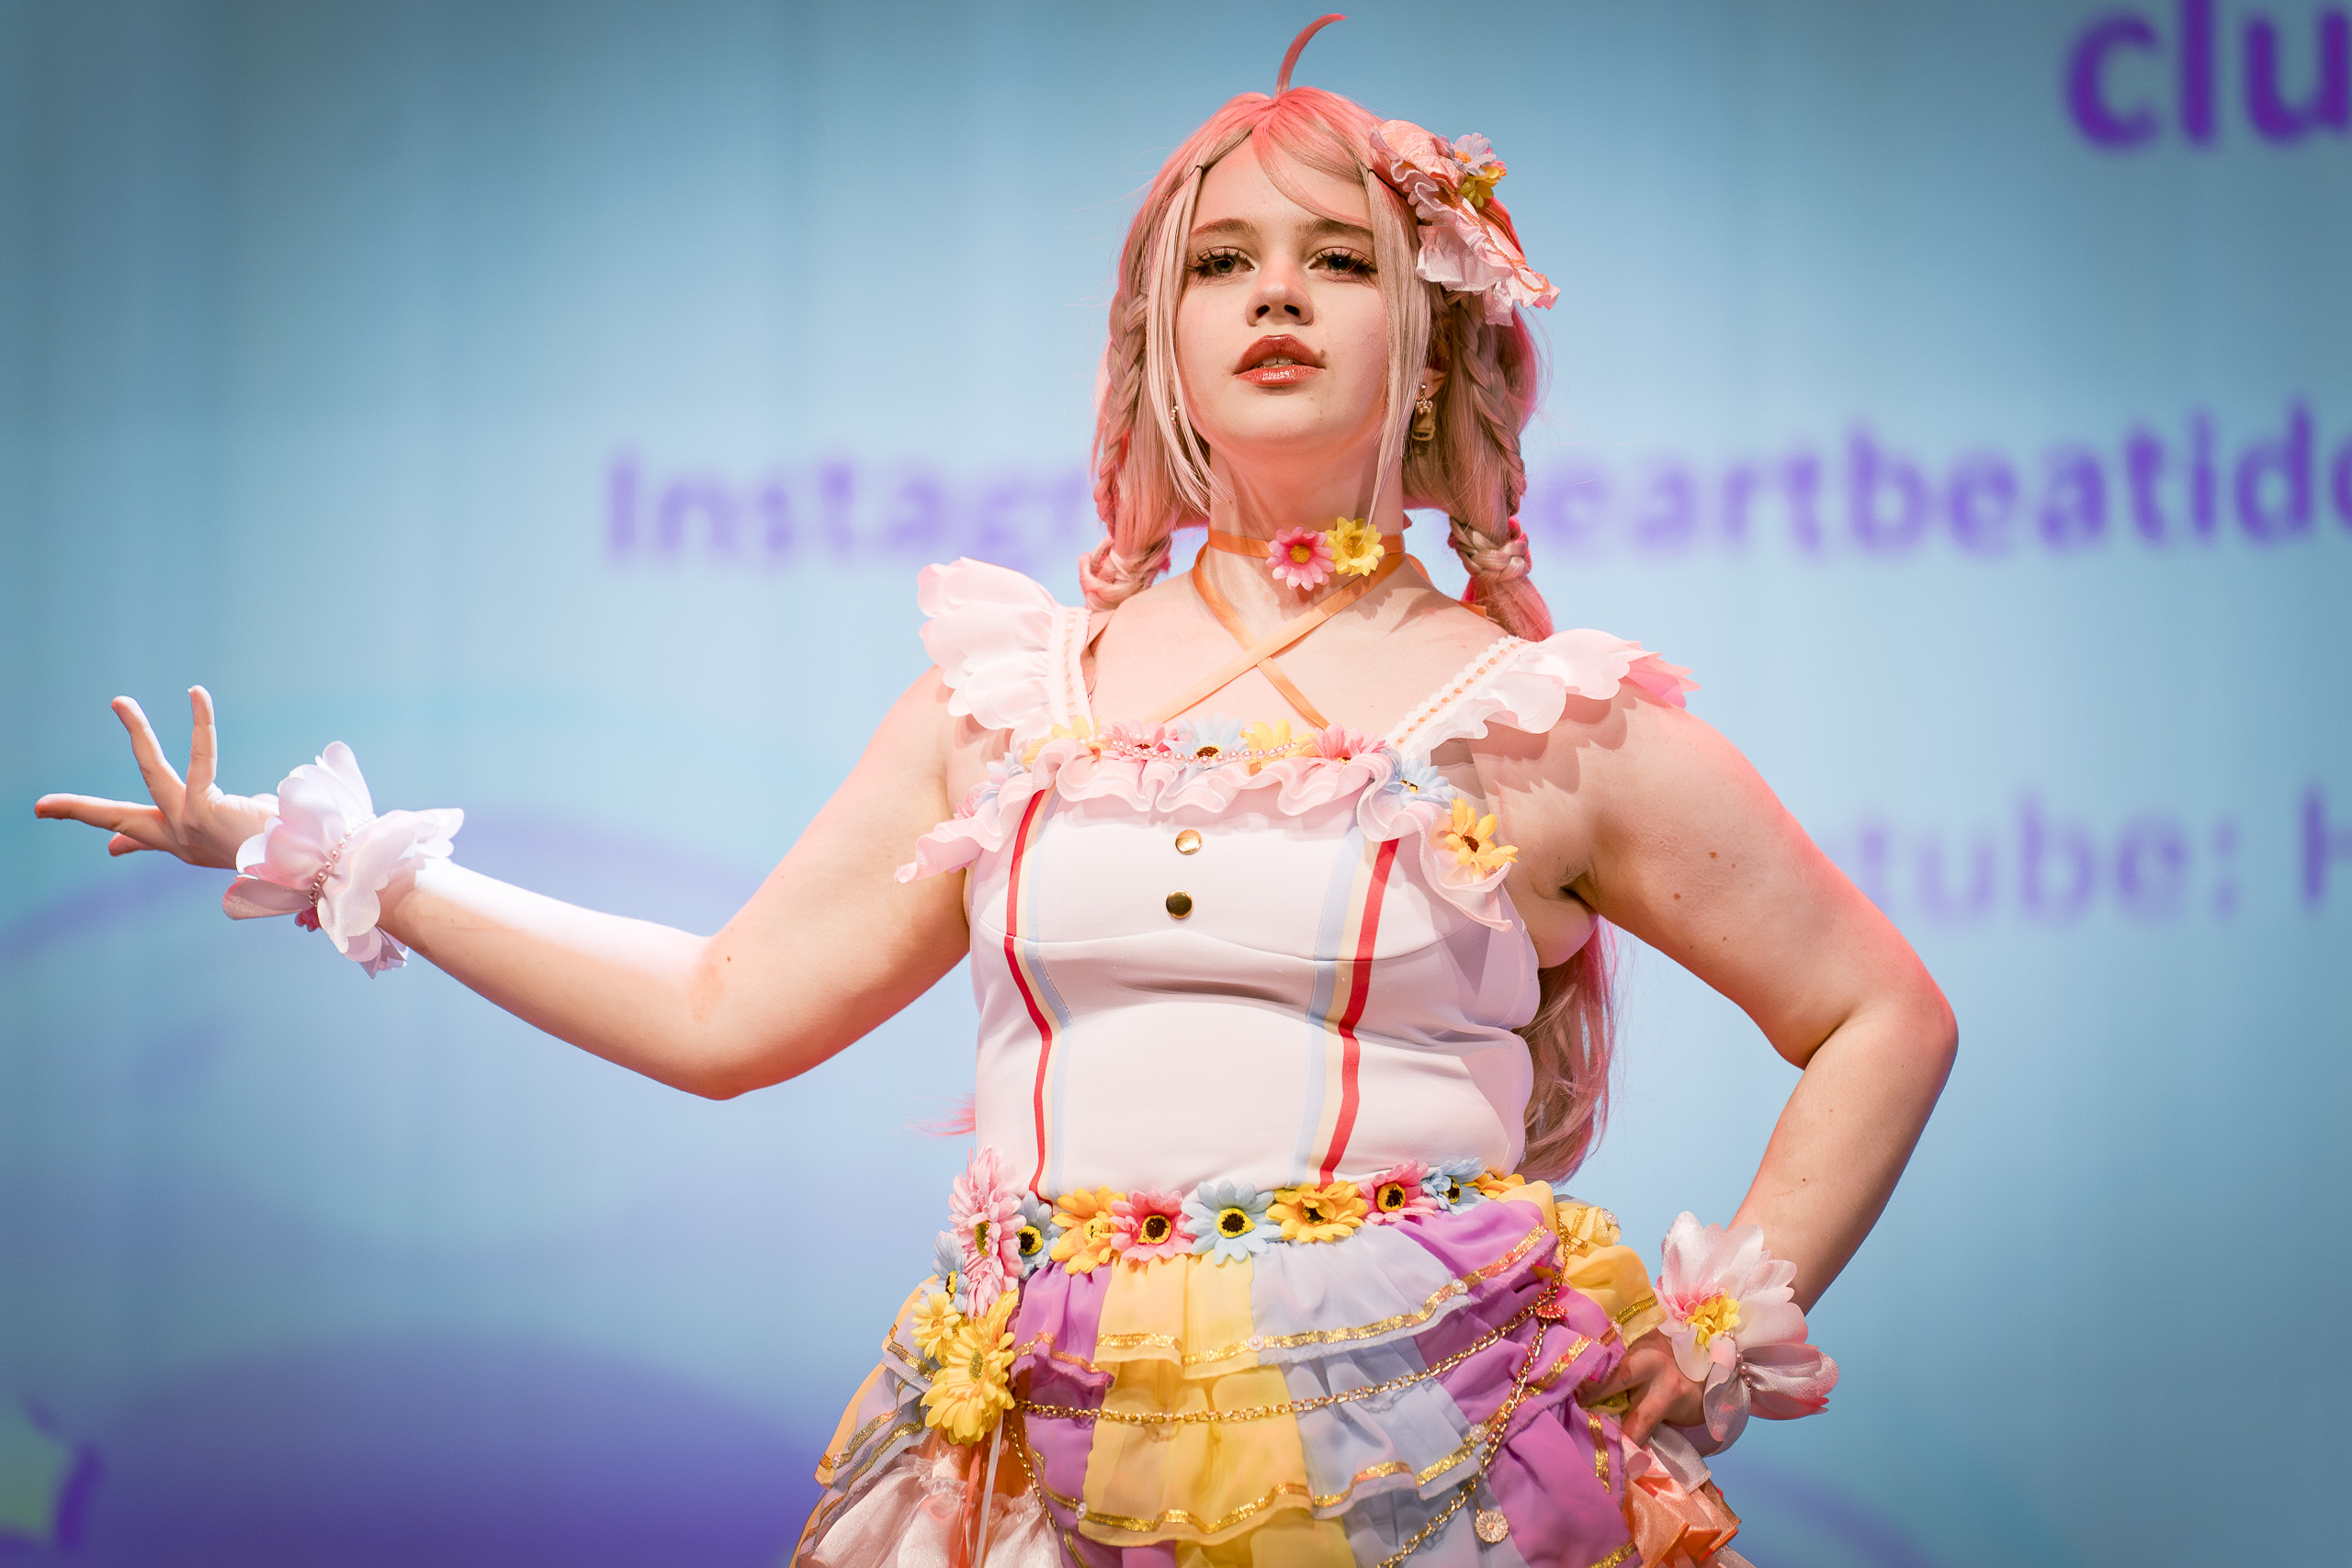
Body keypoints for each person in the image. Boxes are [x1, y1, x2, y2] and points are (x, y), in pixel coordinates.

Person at [33, 19, 1954, 1567]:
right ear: (1160, 345)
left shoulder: (1538, 719)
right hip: (1033, 1440)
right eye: (1221, 263)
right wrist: (327, 858)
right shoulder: (1011, 702)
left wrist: (1711, 1328)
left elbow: (1879, 1011)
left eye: (1337, 259)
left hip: (1415, 1445)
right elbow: (721, 1011)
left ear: (1433, 335)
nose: (1274, 297)